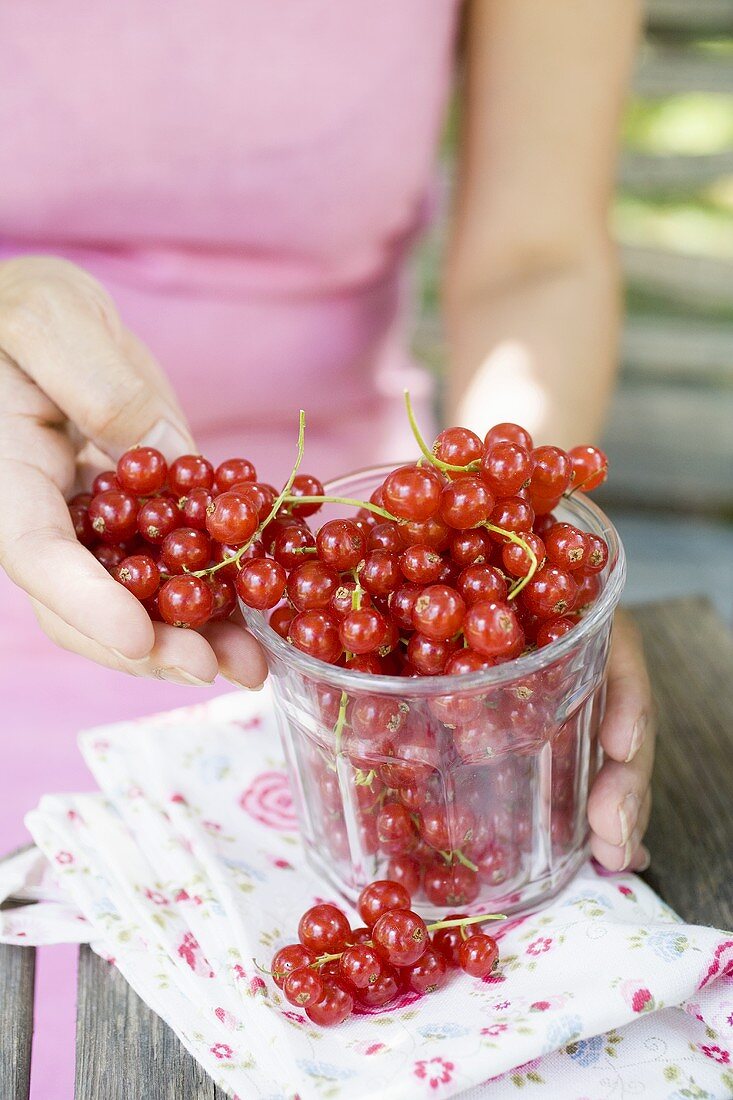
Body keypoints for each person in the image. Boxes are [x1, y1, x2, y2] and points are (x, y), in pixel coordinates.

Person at [0, 2, 652, 875]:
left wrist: (515, 547)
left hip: (353, 603)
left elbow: (535, 259)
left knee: (459, 859)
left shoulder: (417, 588)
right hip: (52, 527)